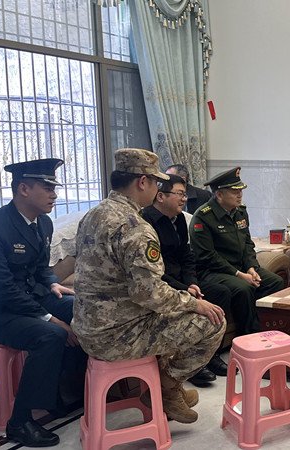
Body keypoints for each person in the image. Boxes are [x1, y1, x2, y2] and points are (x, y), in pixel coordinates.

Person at [73, 148, 226, 424]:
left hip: (88, 328)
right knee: (213, 321)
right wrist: (195, 303)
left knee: (168, 318)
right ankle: (168, 387)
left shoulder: (93, 214)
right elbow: (150, 293)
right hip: (119, 335)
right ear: (142, 182)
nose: (157, 189)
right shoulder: (135, 227)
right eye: (156, 182)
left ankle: (167, 388)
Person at [0, 159, 85, 447]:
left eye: (54, 188)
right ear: (24, 189)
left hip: (31, 298)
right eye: (47, 188)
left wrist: (52, 282)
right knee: (51, 334)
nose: (54, 194)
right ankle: (20, 421)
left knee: (81, 309)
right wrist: (49, 318)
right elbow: (2, 289)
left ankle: (64, 392)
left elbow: (42, 267)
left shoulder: (43, 222)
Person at [141, 174, 233, 386]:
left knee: (221, 293)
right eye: (180, 194)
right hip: (165, 284)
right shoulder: (146, 222)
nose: (184, 199)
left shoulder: (180, 218)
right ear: (161, 196)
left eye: (185, 194)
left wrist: (192, 283)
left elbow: (186, 255)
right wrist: (184, 289)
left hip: (183, 280)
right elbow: (154, 272)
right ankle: (192, 367)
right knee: (195, 305)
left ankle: (210, 356)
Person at [190, 167, 284, 343]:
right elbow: (207, 256)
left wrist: (251, 267)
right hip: (214, 271)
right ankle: (248, 338)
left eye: (240, 190)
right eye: (234, 192)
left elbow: (247, 243)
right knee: (243, 288)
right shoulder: (203, 217)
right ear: (219, 195)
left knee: (275, 282)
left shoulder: (240, 212)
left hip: (240, 267)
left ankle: (268, 329)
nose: (240, 195)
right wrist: (239, 274)